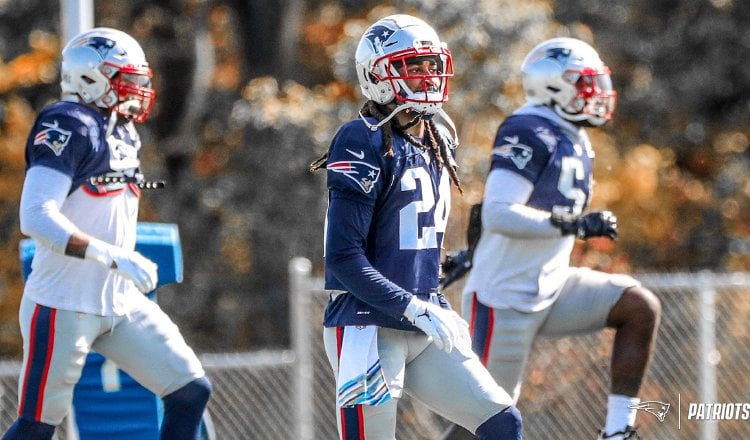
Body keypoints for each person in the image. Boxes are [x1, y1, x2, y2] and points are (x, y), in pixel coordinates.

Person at [309, 14, 523, 440]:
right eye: (412, 65)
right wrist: (414, 305)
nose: (427, 76)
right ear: (378, 74)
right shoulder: (361, 137)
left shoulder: (436, 134)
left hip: (423, 320)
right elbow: (344, 259)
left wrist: (444, 269)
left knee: (501, 423)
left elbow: (404, 243)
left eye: (431, 65)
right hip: (366, 325)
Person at [441, 38, 662, 440]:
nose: (596, 93)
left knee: (638, 307)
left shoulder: (573, 134)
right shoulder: (529, 128)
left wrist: (470, 253)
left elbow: (483, 213)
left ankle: (617, 432)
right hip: (503, 298)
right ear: (552, 85)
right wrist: (574, 225)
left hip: (551, 286)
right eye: (584, 83)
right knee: (488, 423)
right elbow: (498, 211)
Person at [5, 27, 211, 440]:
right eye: (126, 79)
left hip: (117, 300)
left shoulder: (119, 127)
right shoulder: (69, 121)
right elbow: (35, 216)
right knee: (37, 427)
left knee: (190, 390)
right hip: (62, 303)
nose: (137, 89)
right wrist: (113, 256)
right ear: (89, 77)